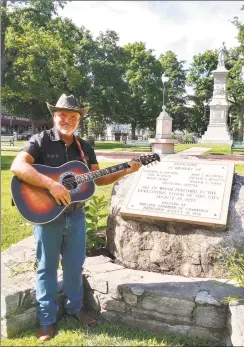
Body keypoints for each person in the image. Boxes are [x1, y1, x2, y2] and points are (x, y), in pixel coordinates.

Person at [10, 94, 140, 342]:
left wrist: (125, 169)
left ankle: (74, 308)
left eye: (72, 116)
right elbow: (18, 166)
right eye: (62, 115)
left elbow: (98, 178)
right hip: (48, 216)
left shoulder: (84, 147)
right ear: (54, 116)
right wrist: (51, 185)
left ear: (78, 119)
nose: (67, 119)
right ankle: (46, 320)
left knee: (74, 265)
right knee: (47, 267)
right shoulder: (40, 140)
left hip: (76, 214)